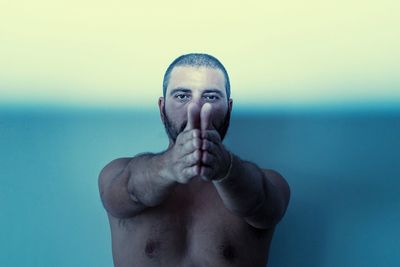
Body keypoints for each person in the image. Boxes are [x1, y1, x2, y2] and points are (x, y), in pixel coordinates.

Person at [98, 53, 290, 267]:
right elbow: (129, 191)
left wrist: (227, 169)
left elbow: (262, 206)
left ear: (229, 108)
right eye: (182, 96)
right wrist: (168, 167)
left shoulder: (269, 184)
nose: (195, 109)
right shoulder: (116, 173)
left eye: (210, 97)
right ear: (162, 108)